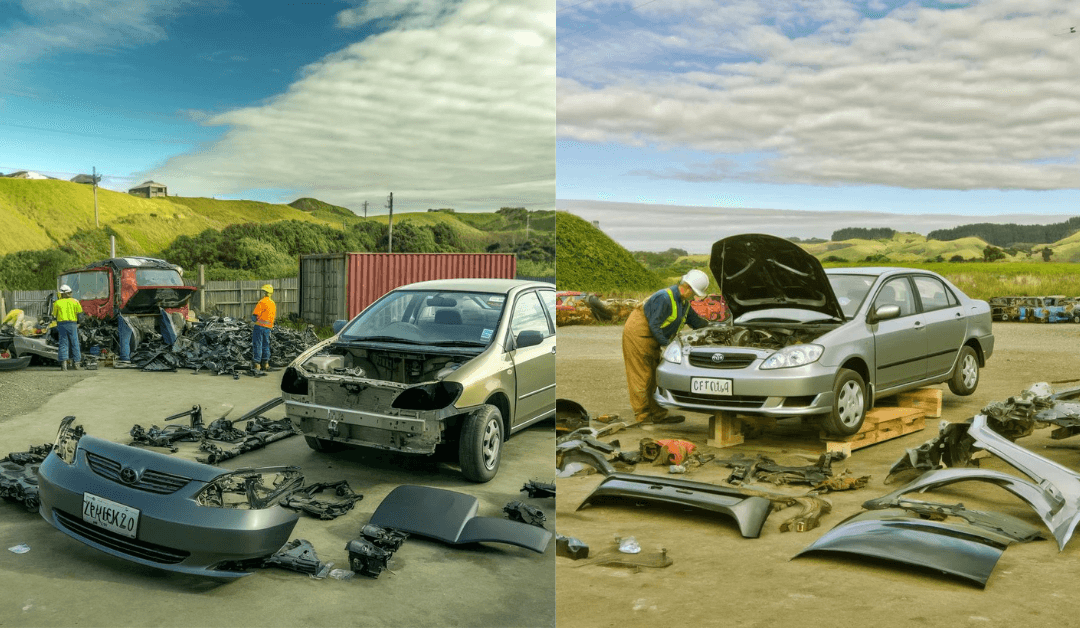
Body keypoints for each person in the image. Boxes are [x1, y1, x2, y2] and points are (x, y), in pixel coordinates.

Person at [622, 269, 710, 424]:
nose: (694, 296)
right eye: (694, 293)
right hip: (638, 334)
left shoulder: (684, 304)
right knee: (642, 375)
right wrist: (666, 344)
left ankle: (657, 413)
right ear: (688, 287)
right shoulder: (664, 297)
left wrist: (715, 327)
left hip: (653, 337)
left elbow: (697, 322)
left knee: (655, 374)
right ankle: (642, 416)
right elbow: (654, 324)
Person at [52, 284, 83, 371]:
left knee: (63, 343)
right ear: (69, 293)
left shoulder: (57, 303)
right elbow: (80, 314)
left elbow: (54, 315)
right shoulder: (75, 301)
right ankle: (76, 364)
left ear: (61, 294)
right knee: (75, 343)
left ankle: (64, 365)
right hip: (72, 324)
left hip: (61, 324)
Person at [251, 284, 276, 371]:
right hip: (268, 328)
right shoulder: (272, 303)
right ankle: (266, 363)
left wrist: (253, 319)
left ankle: (257, 364)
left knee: (258, 344)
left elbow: (254, 317)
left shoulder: (262, 302)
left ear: (265, 292)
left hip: (259, 327)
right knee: (266, 344)